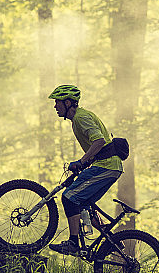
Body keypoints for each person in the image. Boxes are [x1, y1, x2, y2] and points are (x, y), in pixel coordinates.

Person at [47, 84, 123, 255]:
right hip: (108, 166)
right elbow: (97, 147)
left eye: (57, 102)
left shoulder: (81, 118)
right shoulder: (79, 119)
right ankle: (111, 240)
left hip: (106, 166)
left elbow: (99, 141)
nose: (55, 106)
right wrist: (83, 165)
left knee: (69, 198)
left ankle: (73, 243)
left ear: (67, 103)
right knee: (83, 203)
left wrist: (81, 161)